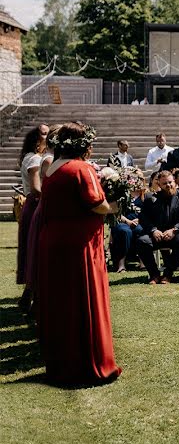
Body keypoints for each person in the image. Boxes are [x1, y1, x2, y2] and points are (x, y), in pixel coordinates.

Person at [34, 122, 122, 386]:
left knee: (63, 303)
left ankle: (63, 362)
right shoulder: (80, 169)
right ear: (81, 145)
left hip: (53, 243)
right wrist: (116, 205)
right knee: (84, 300)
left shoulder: (52, 170)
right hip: (79, 246)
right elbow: (97, 204)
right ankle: (90, 363)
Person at [136, 170, 179, 284]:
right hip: (156, 234)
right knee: (142, 241)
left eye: (170, 182)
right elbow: (143, 218)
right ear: (159, 185)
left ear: (175, 182)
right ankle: (154, 274)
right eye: (164, 183)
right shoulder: (150, 198)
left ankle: (168, 274)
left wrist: (175, 230)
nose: (168, 185)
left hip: (176, 234)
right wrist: (153, 230)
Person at [16, 124, 49, 312]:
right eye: (45, 134)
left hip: (35, 205)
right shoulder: (34, 159)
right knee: (35, 249)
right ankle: (34, 298)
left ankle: (29, 295)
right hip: (35, 205)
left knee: (35, 249)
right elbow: (36, 188)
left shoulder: (37, 157)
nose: (49, 136)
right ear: (37, 141)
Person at [109, 172, 145, 273]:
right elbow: (115, 211)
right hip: (122, 221)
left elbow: (148, 211)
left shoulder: (144, 195)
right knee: (125, 231)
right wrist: (128, 221)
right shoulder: (121, 194)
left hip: (139, 222)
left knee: (140, 230)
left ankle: (143, 261)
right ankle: (121, 263)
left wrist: (140, 219)